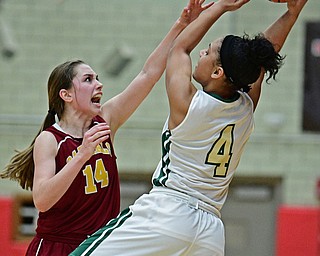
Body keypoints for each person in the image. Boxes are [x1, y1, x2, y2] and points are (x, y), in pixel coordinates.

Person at [70, 0, 308, 255]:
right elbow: (260, 59)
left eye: (208, 51)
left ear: (217, 72)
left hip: (168, 212)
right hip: (211, 232)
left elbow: (180, 49)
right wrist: (292, 14)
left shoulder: (189, 103)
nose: (201, 54)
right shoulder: (246, 107)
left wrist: (222, 7)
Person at [0, 1, 212, 255]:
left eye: (98, 78)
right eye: (88, 80)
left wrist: (183, 24)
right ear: (66, 95)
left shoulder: (106, 120)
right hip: (57, 245)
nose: (99, 85)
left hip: (101, 244)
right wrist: (82, 155)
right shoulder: (50, 139)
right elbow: (42, 200)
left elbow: (148, 73)